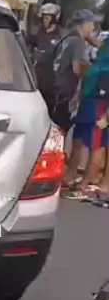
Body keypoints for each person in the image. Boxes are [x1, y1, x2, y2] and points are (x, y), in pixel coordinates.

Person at [62, 24, 109, 200]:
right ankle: (71, 175)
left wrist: (106, 117)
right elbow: (97, 42)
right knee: (78, 139)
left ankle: (84, 186)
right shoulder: (104, 50)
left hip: (100, 108)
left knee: (96, 146)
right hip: (87, 103)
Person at [52, 9, 101, 139]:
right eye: (92, 24)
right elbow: (78, 68)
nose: (93, 28)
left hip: (56, 90)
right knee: (60, 132)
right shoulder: (78, 42)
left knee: (57, 130)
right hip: (65, 94)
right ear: (84, 24)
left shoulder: (67, 38)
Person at [28, 2, 64, 114]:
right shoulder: (39, 33)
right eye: (43, 18)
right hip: (36, 81)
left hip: (51, 85)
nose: (45, 21)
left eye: (48, 18)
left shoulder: (61, 36)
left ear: (55, 19)